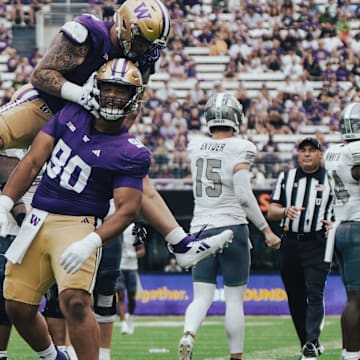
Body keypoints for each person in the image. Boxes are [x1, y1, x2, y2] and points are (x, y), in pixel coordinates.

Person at [0, 0, 232, 271]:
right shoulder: (89, 33)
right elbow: (41, 75)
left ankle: (181, 242)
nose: (146, 49)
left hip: (88, 124)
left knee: (130, 173)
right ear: (123, 27)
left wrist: (109, 139)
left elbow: (134, 104)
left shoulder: (144, 56)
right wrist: (79, 95)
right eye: (143, 41)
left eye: (151, 44)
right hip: (48, 107)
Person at [1, 58, 151, 360]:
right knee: (16, 305)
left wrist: (91, 241)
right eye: (108, 88)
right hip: (37, 217)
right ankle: (53, 357)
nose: (112, 96)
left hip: (77, 222)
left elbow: (126, 210)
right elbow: (32, 162)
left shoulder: (131, 151)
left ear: (134, 98)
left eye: (122, 91)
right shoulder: (71, 113)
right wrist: (4, 203)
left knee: (76, 301)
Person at [177, 93, 281, 360]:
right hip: (232, 226)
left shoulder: (195, 145)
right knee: (234, 300)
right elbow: (245, 195)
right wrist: (266, 230)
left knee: (201, 297)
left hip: (200, 229)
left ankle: (189, 333)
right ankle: (236, 356)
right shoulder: (241, 146)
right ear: (236, 117)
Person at [268, 137, 333, 360]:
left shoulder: (331, 178)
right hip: (291, 243)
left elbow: (342, 208)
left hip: (317, 243)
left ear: (320, 155)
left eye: (312, 151)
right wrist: (286, 211)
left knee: (314, 293)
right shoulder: (286, 177)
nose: (307, 154)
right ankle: (307, 342)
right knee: (295, 296)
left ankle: (311, 343)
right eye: (303, 150)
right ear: (298, 154)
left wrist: (334, 223)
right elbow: (272, 211)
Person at [323, 102, 360, 360]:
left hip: (343, 227)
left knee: (354, 298)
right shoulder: (355, 150)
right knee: (357, 300)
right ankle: (351, 355)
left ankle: (350, 353)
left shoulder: (333, 152)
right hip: (357, 226)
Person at [0, 151, 27, 360]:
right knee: (3, 297)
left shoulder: (53, 132)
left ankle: (60, 352)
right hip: (8, 228)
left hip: (46, 224)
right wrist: (21, 213)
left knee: (59, 298)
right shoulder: (7, 130)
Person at [117, 222, 146, 335]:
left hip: (132, 267)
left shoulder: (134, 229)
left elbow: (142, 250)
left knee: (132, 296)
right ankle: (123, 323)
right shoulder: (117, 227)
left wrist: (134, 254)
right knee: (121, 295)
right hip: (119, 266)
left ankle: (130, 318)